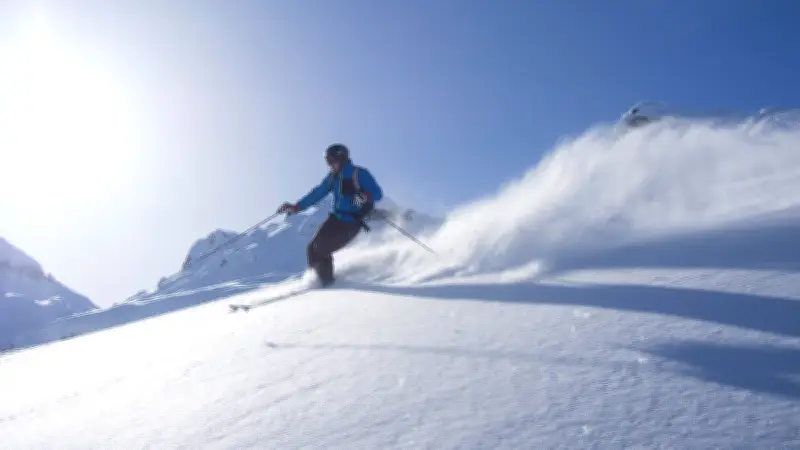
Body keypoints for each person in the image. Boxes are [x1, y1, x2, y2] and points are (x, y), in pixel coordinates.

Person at [277, 143, 384, 286]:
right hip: (336, 219)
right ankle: (318, 282)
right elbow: (317, 193)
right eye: (327, 161)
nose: (329, 165)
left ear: (342, 158)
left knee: (322, 248)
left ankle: (327, 285)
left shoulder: (358, 173)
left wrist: (364, 196)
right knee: (312, 248)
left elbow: (378, 193)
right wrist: (296, 207)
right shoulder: (333, 178)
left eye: (331, 161)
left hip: (352, 222)